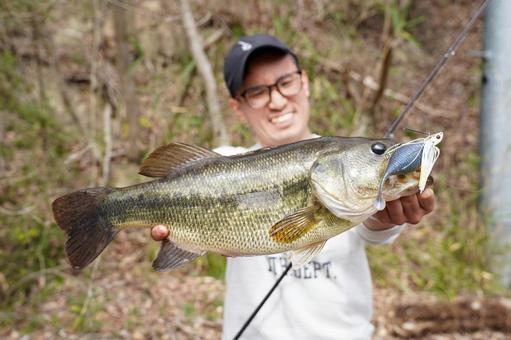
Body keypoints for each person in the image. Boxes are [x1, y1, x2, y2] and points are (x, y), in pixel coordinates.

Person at [151, 34, 436, 339]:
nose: (276, 100)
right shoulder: (223, 163)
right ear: (238, 107)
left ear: (305, 82)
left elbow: (374, 226)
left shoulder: (343, 165)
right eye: (257, 92)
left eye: (285, 82)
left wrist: (386, 213)